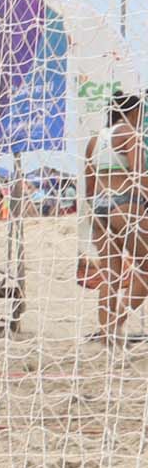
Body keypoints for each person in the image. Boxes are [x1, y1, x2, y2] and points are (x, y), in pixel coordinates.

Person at [87, 89, 147, 342]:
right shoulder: (129, 134)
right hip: (125, 205)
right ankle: (118, 319)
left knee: (110, 275)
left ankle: (105, 333)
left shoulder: (95, 139)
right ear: (132, 112)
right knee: (145, 271)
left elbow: (89, 184)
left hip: (99, 209)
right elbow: (140, 176)